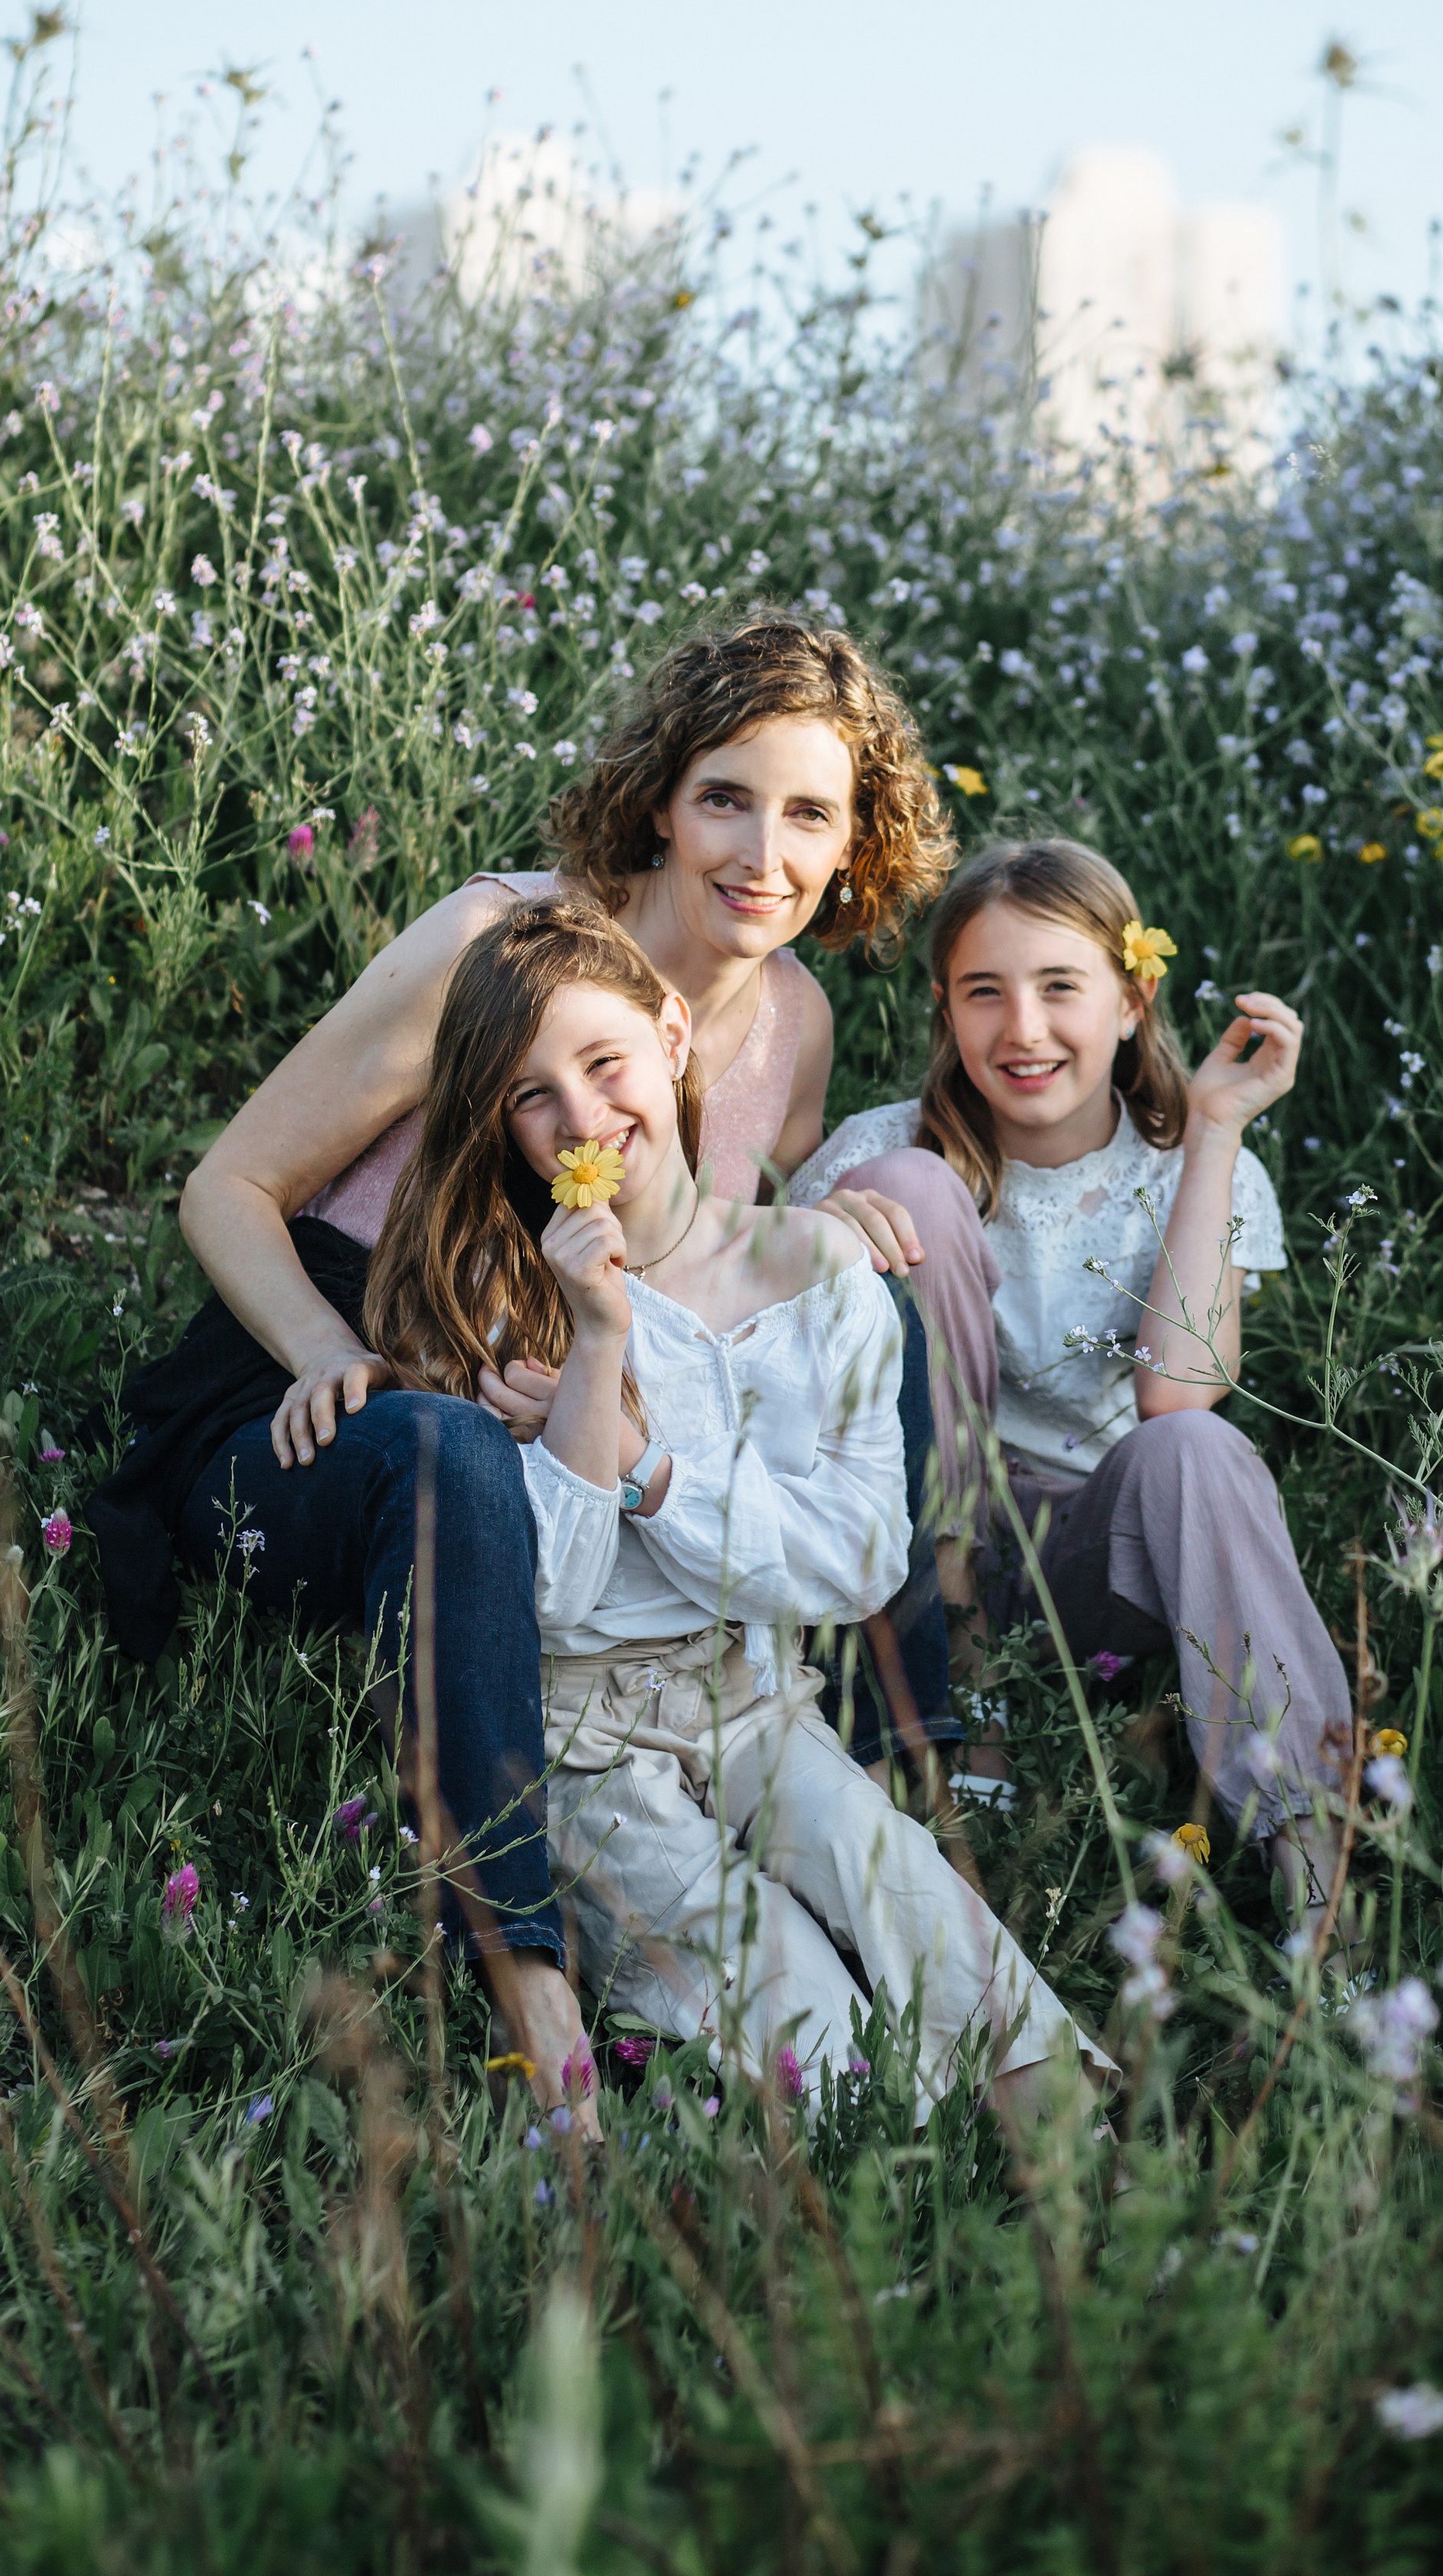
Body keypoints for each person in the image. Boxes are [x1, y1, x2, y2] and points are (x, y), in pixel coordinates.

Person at [86, 616, 955, 2126]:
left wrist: (821, 1241)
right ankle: (526, 1990)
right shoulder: (495, 943)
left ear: (854, 840)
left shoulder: (795, 1029)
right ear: (659, 801)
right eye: (724, 798)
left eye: (809, 813)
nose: (762, 853)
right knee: (451, 1456)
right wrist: (335, 1356)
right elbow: (226, 1187)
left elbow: (702, 1291)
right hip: (335, 1376)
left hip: (556, 1418)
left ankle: (902, 1792)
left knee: (879, 1295)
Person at [365, 893, 1113, 2119]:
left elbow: (863, 1556)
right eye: (530, 1096)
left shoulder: (816, 1270)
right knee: (807, 2030)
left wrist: (651, 1470)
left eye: (603, 1064)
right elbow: (543, 1591)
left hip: (757, 1706)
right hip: (588, 1749)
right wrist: (598, 1345)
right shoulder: (504, 1307)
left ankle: (1084, 2176)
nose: (581, 1121)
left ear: (671, 1036)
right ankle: (880, 2188)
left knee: (921, 1909)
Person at [790, 836, 1356, 1924]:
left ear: (1133, 1000)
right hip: (904, 1548)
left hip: (1093, 1568)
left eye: (1061, 987)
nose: (1025, 1030)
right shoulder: (879, 1150)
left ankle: (1316, 1870)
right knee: (910, 1184)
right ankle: (963, 1683)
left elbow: (1178, 1395)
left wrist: (1215, 1132)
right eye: (983, 992)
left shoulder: (1184, 1166)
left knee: (1197, 1448)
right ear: (947, 1014)